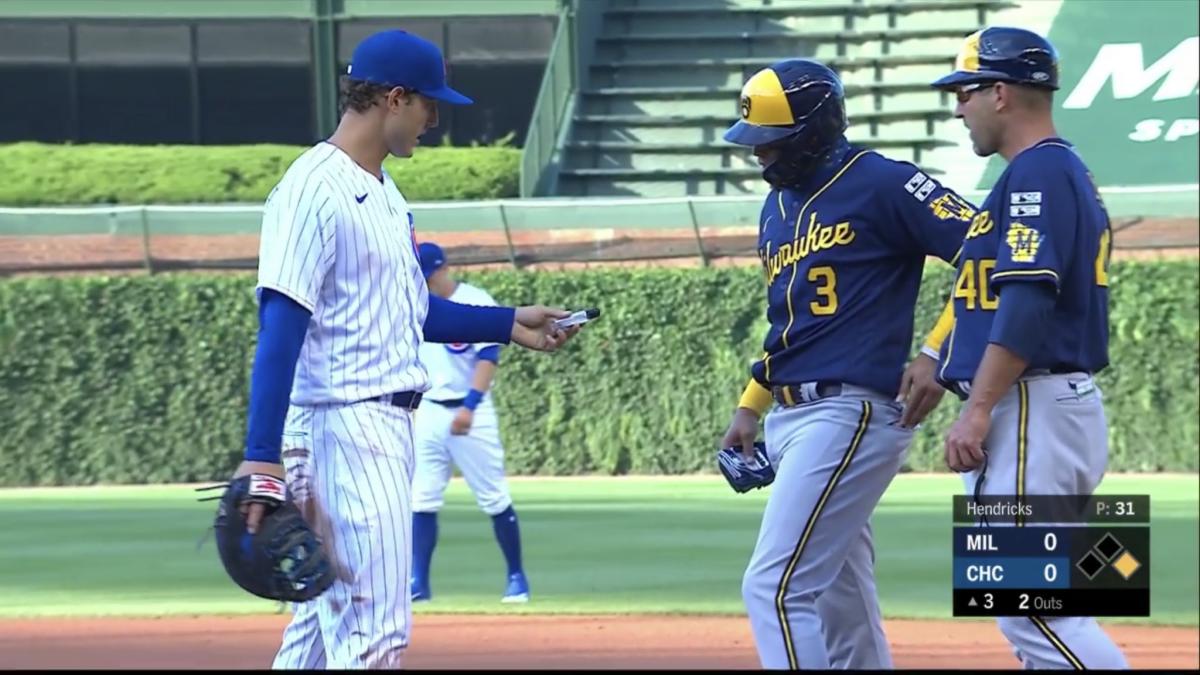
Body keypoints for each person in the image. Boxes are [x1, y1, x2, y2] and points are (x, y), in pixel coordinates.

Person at [228, 29, 582, 669]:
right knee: (373, 636)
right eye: (428, 104)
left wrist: (509, 323)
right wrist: (261, 459)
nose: (435, 119)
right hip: (349, 429)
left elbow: (410, 312)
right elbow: (280, 326)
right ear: (393, 98)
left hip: (368, 424)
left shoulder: (385, 194)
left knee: (314, 638)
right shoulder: (314, 188)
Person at [718, 58, 977, 669]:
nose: (760, 157)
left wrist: (936, 351)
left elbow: (985, 254)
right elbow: (790, 324)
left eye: (772, 144)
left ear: (811, 133)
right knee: (843, 612)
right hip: (792, 413)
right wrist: (749, 406)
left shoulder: (882, 181)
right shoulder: (776, 209)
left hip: (849, 410)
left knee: (776, 588)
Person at [917, 26, 1128, 669]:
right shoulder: (1056, 170)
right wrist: (936, 357)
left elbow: (1029, 299)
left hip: (1031, 406)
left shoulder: (1039, 171)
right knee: (1049, 605)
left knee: (1031, 603)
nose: (958, 107)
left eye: (964, 91)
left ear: (1000, 92)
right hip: (1049, 406)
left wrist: (977, 407)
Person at [409, 242, 530, 604]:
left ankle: (516, 578)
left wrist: (471, 405)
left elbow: (488, 357)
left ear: (444, 268)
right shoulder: (413, 303)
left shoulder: (475, 299)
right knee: (422, 497)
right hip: (428, 408)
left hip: (470, 410)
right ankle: (419, 583)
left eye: (429, 275)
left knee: (492, 495)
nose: (426, 282)